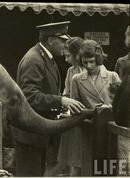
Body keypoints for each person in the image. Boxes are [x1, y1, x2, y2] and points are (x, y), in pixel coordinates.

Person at [13, 21, 85, 176]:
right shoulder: (34, 59)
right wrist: (61, 101)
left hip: (38, 133)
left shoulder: (45, 58)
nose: (66, 45)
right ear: (51, 40)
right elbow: (30, 96)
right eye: (63, 41)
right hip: (30, 135)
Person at [67, 40, 120, 176]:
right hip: (87, 130)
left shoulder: (112, 76)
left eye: (92, 61)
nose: (89, 66)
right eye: (85, 63)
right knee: (87, 168)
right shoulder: (76, 79)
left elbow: (121, 106)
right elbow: (75, 108)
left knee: (107, 168)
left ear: (99, 59)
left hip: (108, 130)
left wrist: (107, 109)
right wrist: (92, 112)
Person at [57, 37, 85, 175]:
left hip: (87, 119)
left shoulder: (91, 69)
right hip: (74, 120)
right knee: (74, 161)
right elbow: (67, 94)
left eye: (68, 56)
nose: (66, 60)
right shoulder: (70, 72)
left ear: (77, 54)